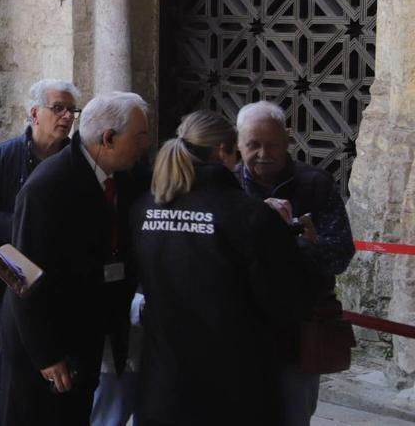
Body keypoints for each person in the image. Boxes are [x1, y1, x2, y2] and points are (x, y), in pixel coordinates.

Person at [131, 110, 315, 426]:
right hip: (233, 384)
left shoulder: (145, 207)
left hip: (163, 381)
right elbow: (287, 301)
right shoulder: (249, 215)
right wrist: (297, 244)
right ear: (222, 153)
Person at [0, 92, 151, 426]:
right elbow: (23, 276)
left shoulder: (129, 176)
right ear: (108, 138)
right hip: (48, 338)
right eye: (139, 136)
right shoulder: (49, 186)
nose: (145, 145)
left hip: (89, 331)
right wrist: (47, 354)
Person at [235, 101, 355, 426]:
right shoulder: (228, 187)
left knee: (294, 415)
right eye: (253, 145)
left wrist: (297, 238)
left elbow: (340, 253)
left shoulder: (315, 184)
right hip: (240, 330)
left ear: (286, 141)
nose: (263, 153)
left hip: (299, 330)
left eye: (271, 144)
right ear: (237, 145)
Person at [0, 78, 80, 418]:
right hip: (17, 277)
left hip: (64, 281)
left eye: (71, 110)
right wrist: (26, 225)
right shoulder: (2, 157)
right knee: (12, 359)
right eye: (57, 108)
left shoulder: (77, 161)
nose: (66, 117)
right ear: (34, 113)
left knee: (62, 362)